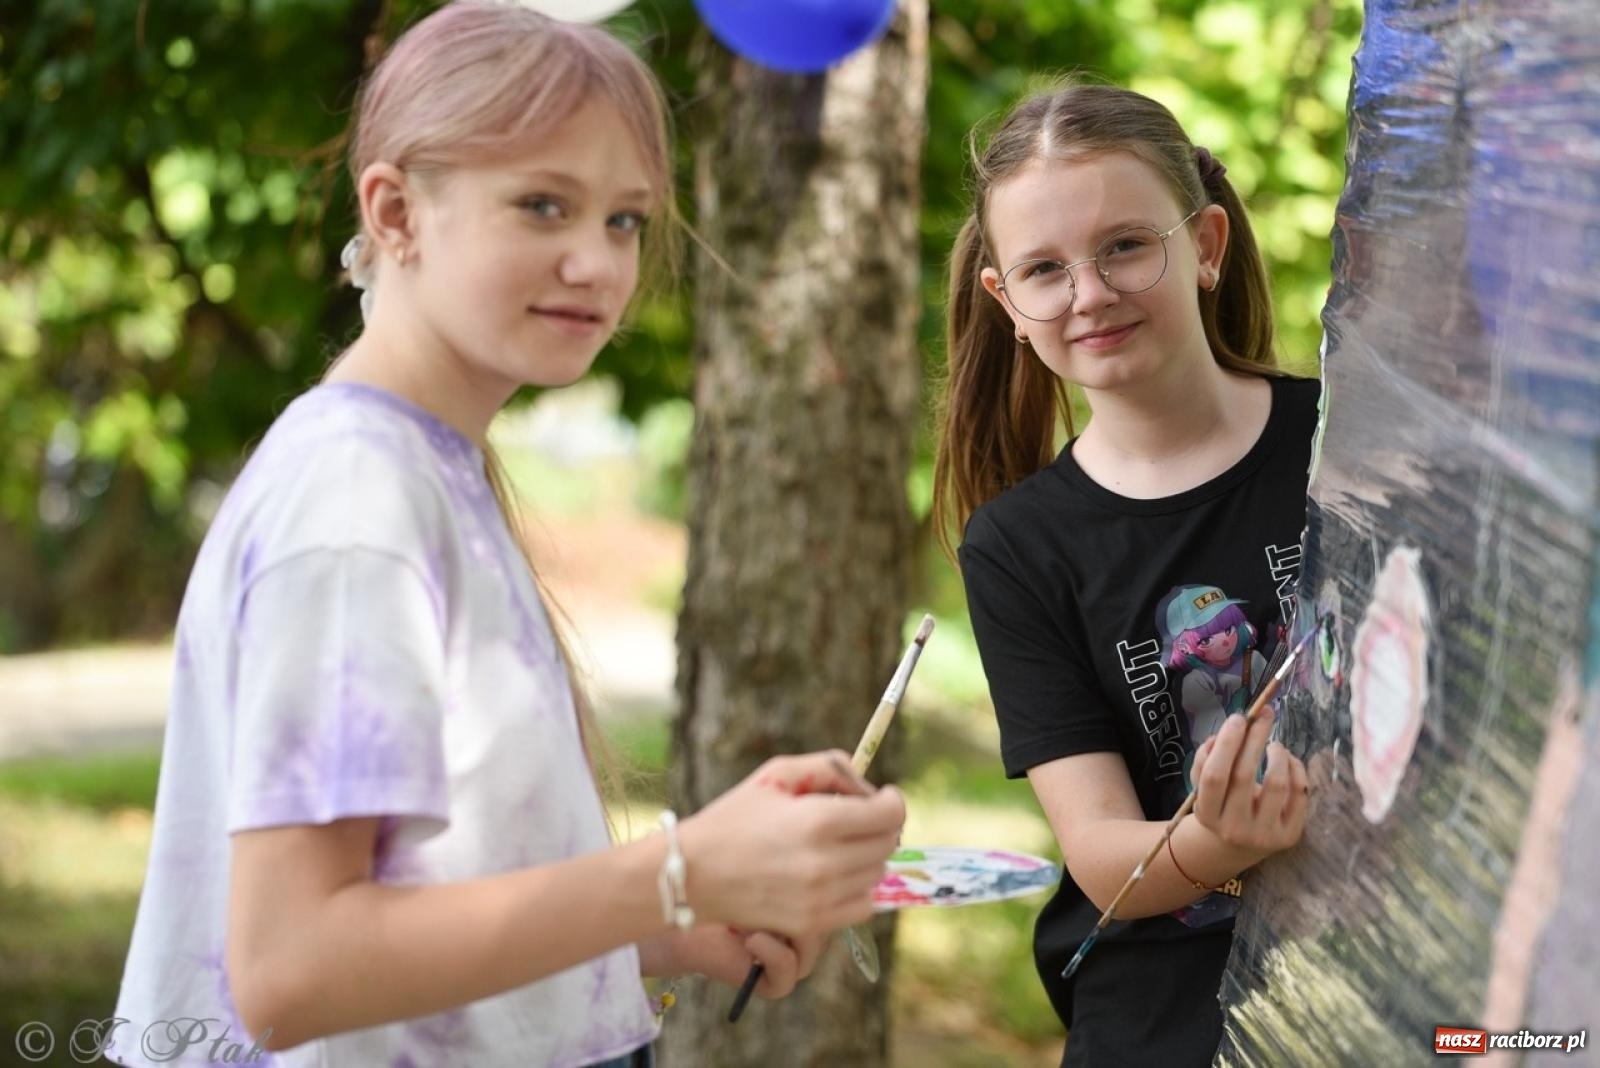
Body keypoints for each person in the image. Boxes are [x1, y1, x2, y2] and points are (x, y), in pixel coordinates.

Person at [108, 5, 905, 1067]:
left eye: (624, 220)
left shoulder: (424, 467)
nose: (597, 262)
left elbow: (438, 893)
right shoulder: (356, 505)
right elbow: (293, 971)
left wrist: (672, 925)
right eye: (543, 206)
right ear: (395, 212)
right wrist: (675, 867)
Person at [931, 82, 1317, 1066]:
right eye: (1044, 269)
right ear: (1006, 303)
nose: (1089, 293)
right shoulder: (1016, 547)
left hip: (1412, 985)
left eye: (1124, 246)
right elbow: (1105, 860)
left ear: (1207, 246)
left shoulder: (1345, 441)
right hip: (1170, 1024)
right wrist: (1221, 846)